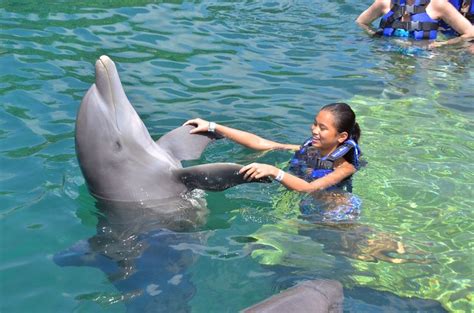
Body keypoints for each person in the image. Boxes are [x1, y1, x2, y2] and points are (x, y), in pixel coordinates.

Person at [183, 102, 361, 194]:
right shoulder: (312, 150)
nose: (314, 130)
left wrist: (275, 172)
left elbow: (309, 189)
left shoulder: (345, 167)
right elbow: (263, 144)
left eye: (322, 128)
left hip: (332, 212)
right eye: (315, 124)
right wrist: (213, 126)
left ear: (342, 137)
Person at [356, 0, 474, 44]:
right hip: (388, 59)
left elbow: (470, 33)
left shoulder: (438, 5)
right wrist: (375, 34)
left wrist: (442, 45)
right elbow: (361, 22)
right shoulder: (384, 3)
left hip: (424, 63)